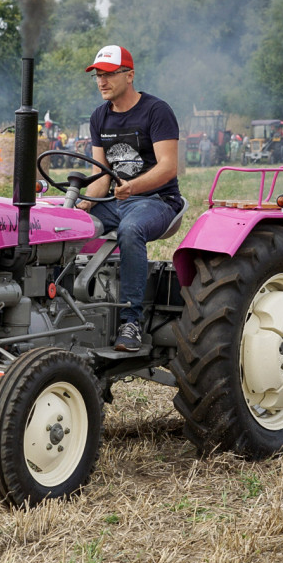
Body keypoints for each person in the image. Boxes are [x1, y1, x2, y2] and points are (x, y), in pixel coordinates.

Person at [80, 44, 181, 352]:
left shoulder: (156, 111)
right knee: (67, 228)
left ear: (129, 75)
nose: (101, 82)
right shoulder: (99, 117)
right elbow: (101, 177)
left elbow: (168, 167)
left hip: (158, 201)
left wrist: (133, 188)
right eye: (98, 76)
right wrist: (78, 209)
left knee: (130, 229)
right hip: (117, 202)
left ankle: (131, 321)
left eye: (109, 74)